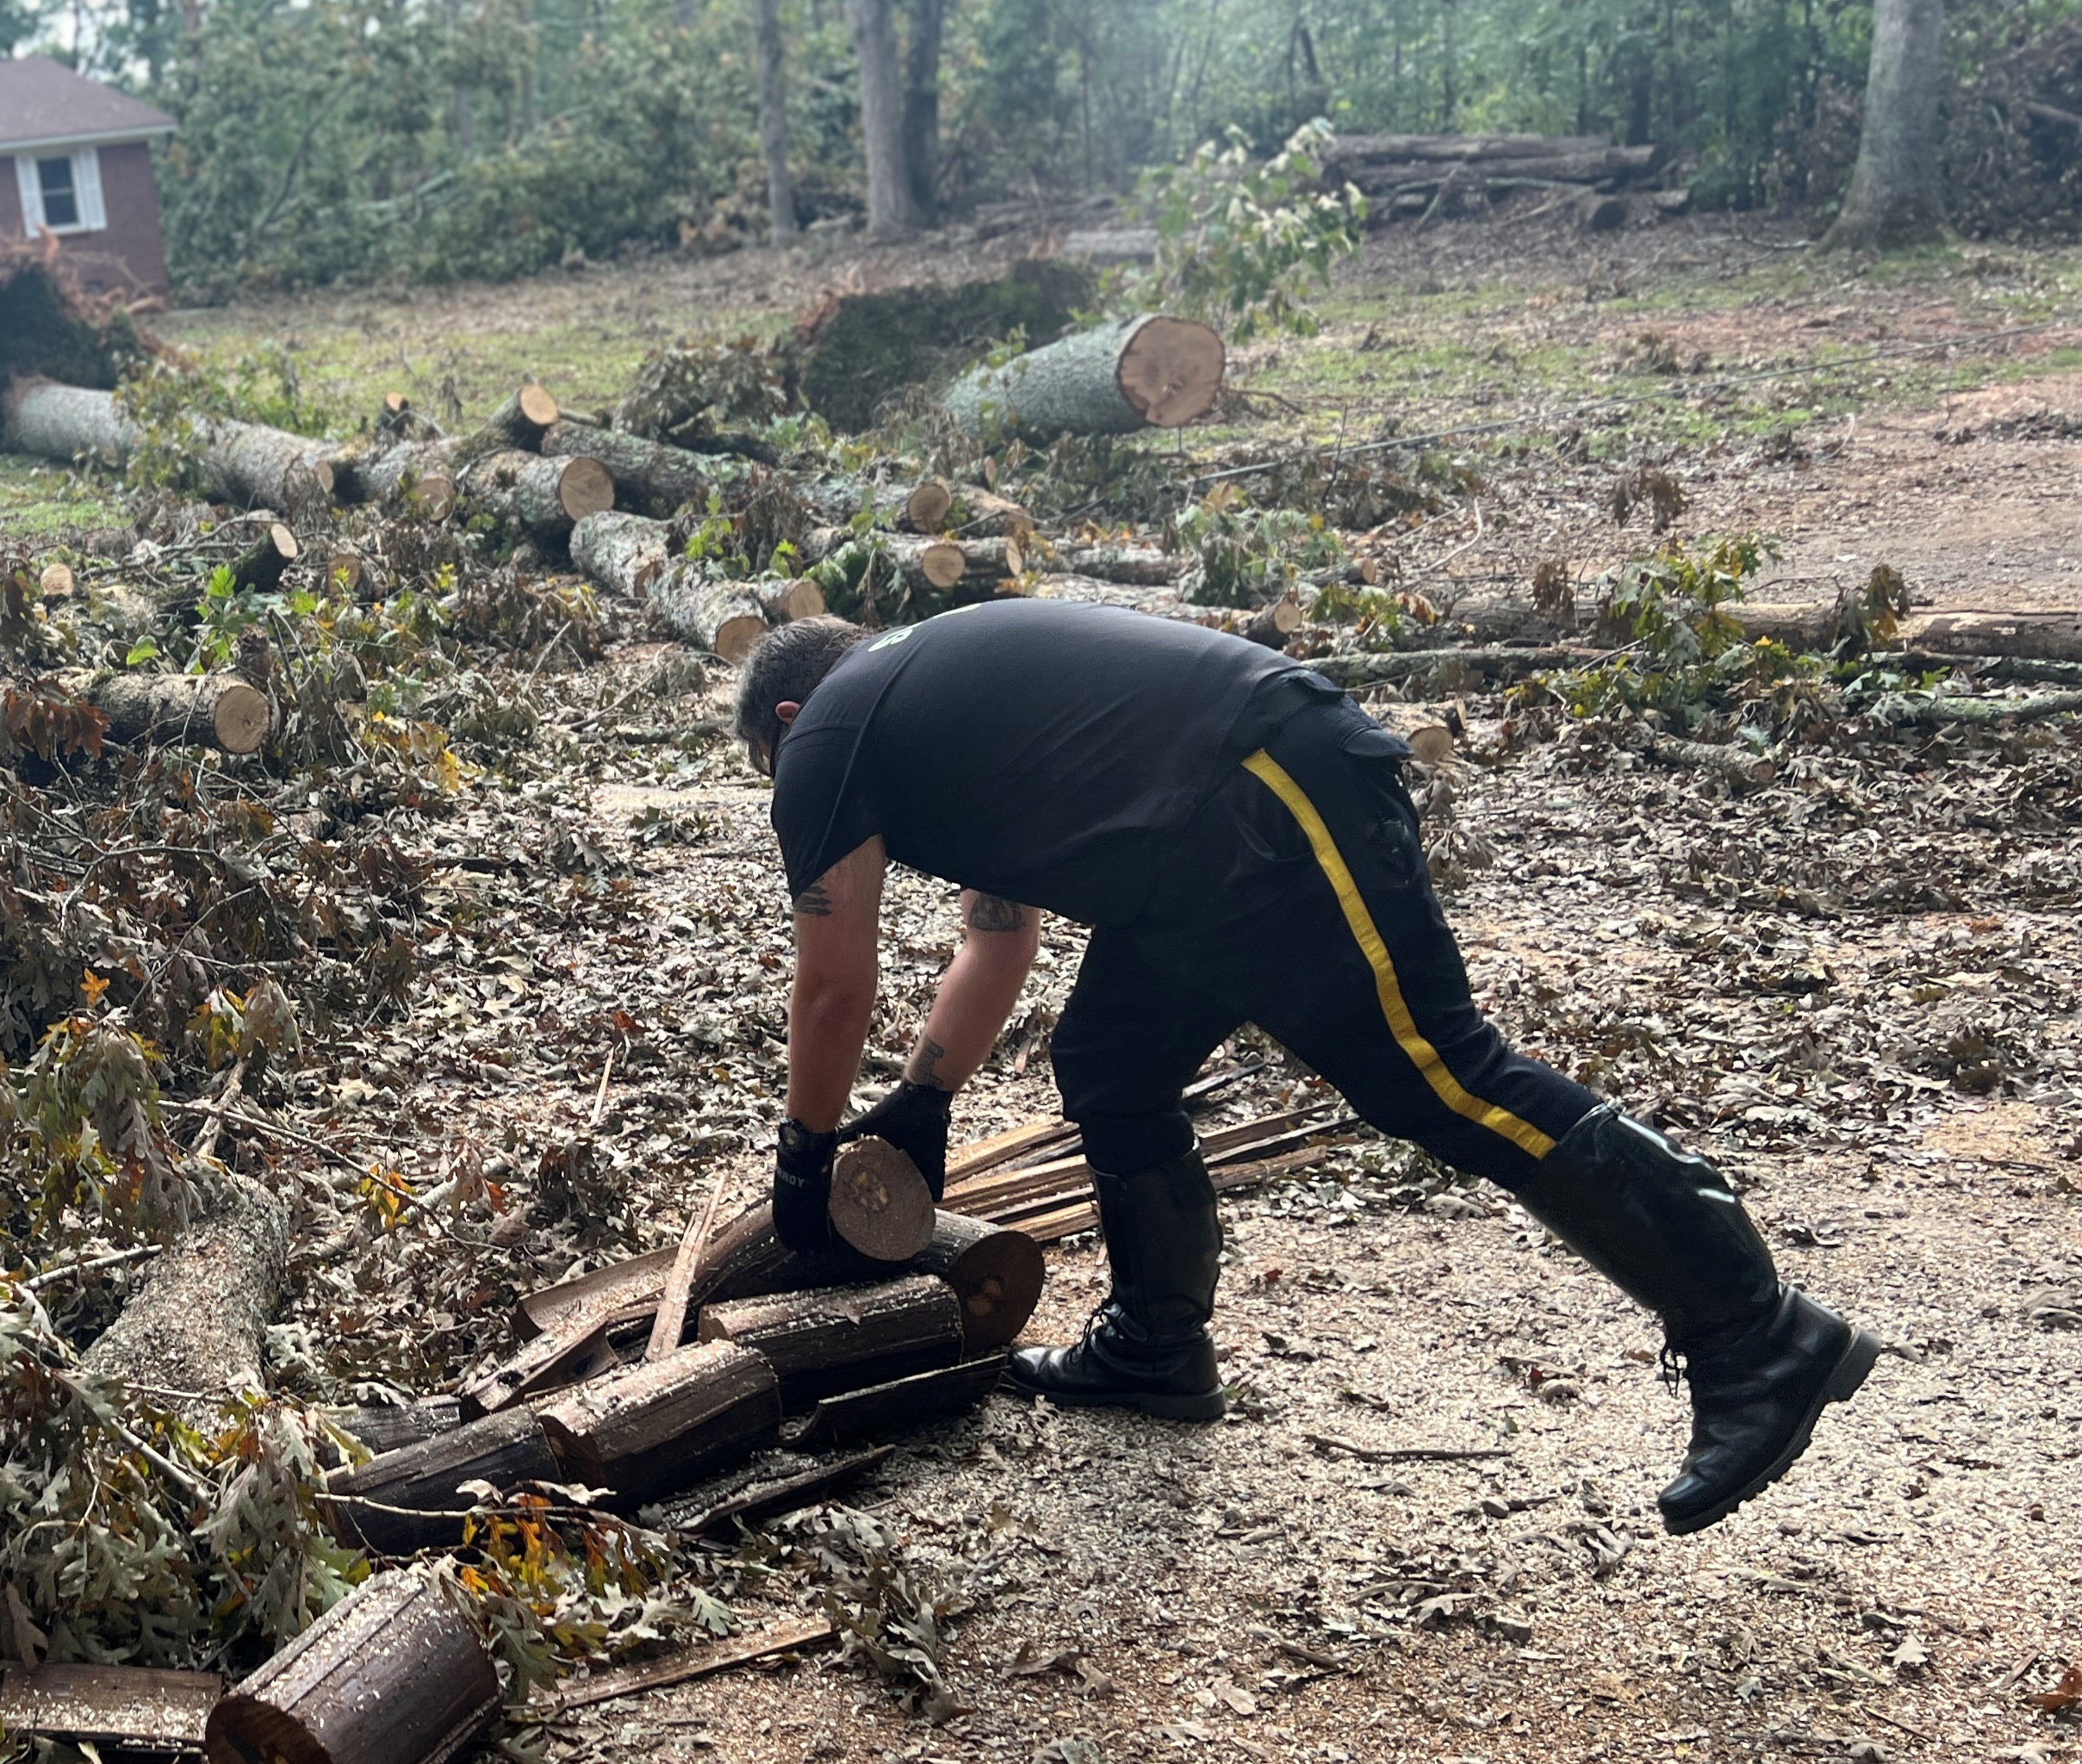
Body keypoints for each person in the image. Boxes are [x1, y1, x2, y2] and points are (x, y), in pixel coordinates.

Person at [738, 598, 1874, 1536]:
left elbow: (836, 982)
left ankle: (1756, 1330)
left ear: (790, 718)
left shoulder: (832, 732)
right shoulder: (926, 709)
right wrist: (928, 1099)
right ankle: (1155, 1348)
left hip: (1267, 790)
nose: (796, 803)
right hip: (1191, 844)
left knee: (1435, 1075)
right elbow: (1001, 935)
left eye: (774, 769)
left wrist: (805, 1155)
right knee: (1110, 1059)